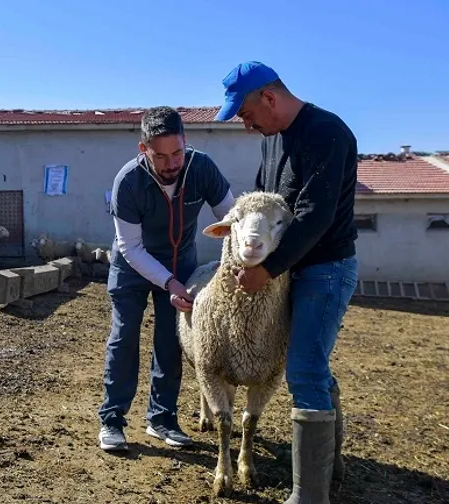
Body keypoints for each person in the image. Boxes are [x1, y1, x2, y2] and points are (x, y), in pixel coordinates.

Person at [213, 61, 360, 504]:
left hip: (324, 269)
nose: (246, 124)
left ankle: (310, 495)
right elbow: (263, 201)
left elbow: (316, 215)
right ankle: (332, 465)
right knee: (312, 362)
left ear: (269, 98)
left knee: (303, 369)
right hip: (289, 270)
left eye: (245, 113)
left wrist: (266, 272)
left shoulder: (327, 134)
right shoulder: (273, 142)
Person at [97, 106, 236, 452]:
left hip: (181, 262)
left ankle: (161, 419)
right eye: (161, 155)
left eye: (178, 152)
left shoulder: (201, 167)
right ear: (144, 150)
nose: (172, 163)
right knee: (125, 335)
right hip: (133, 265)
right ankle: (112, 420)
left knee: (171, 340)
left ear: (186, 143)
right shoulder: (127, 182)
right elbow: (130, 247)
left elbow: (232, 219)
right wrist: (169, 283)